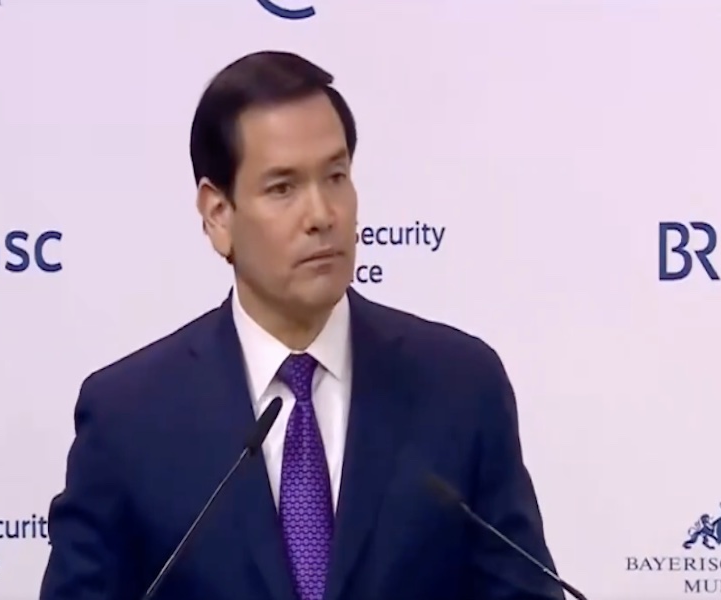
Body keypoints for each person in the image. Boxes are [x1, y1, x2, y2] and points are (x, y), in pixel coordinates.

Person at [39, 50, 564, 600]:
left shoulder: (459, 386)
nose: (321, 215)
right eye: (282, 188)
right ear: (218, 215)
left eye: (335, 177)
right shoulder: (129, 418)